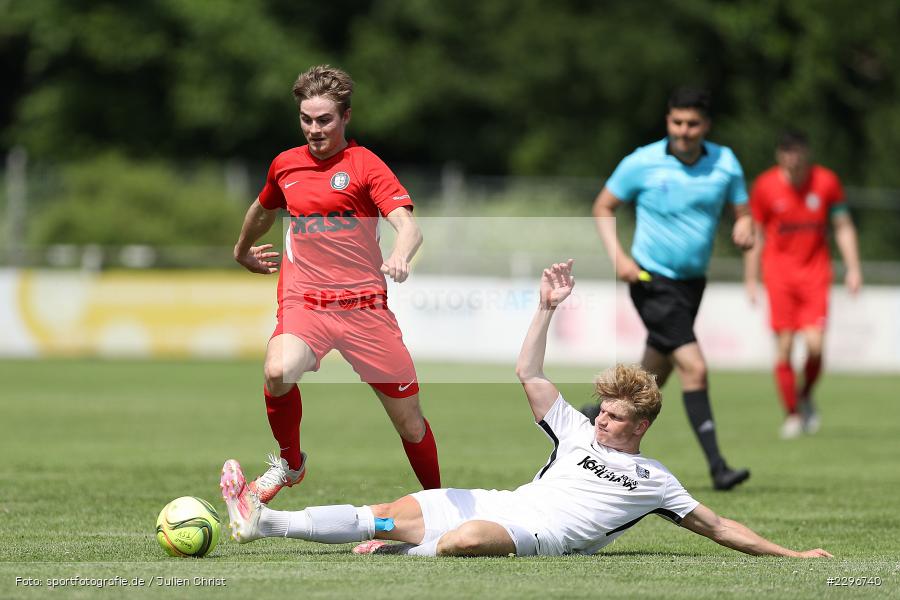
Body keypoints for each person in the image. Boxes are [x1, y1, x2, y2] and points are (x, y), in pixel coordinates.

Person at [220, 260, 832, 559]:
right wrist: (546, 308)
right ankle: (263, 523)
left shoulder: (655, 482)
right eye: (602, 411)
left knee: (462, 541)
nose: (601, 419)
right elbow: (529, 373)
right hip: (502, 501)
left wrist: (793, 555)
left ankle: (405, 549)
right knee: (382, 511)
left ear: (640, 427)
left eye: (614, 418)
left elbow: (720, 527)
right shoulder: (574, 432)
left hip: (537, 534)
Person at [231, 65, 440, 503]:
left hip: (364, 307)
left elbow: (408, 225)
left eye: (324, 119)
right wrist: (242, 249)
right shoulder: (285, 165)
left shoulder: (365, 166)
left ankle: (440, 506)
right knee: (277, 369)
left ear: (345, 117)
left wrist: (400, 254)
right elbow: (264, 207)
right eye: (306, 119)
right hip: (304, 300)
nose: (314, 129)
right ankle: (290, 463)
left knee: (411, 424)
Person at [581, 87, 754, 491]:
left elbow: (743, 212)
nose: (684, 131)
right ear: (668, 121)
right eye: (677, 122)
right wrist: (619, 258)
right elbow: (603, 206)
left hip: (693, 283)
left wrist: (745, 225)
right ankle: (718, 467)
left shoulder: (725, 163)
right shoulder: (642, 162)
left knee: (648, 379)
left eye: (693, 124)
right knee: (695, 366)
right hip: (650, 279)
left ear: (706, 126)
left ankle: (591, 420)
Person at [744, 131, 862, 439]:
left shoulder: (826, 183)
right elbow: (755, 235)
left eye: (797, 152)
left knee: (815, 346)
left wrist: (853, 268)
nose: (793, 159)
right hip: (780, 277)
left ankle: (805, 394)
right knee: (783, 348)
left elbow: (843, 226)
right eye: (786, 152)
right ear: (779, 155)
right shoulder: (765, 186)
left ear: (806, 153)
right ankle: (793, 414)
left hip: (815, 275)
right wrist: (751, 277)